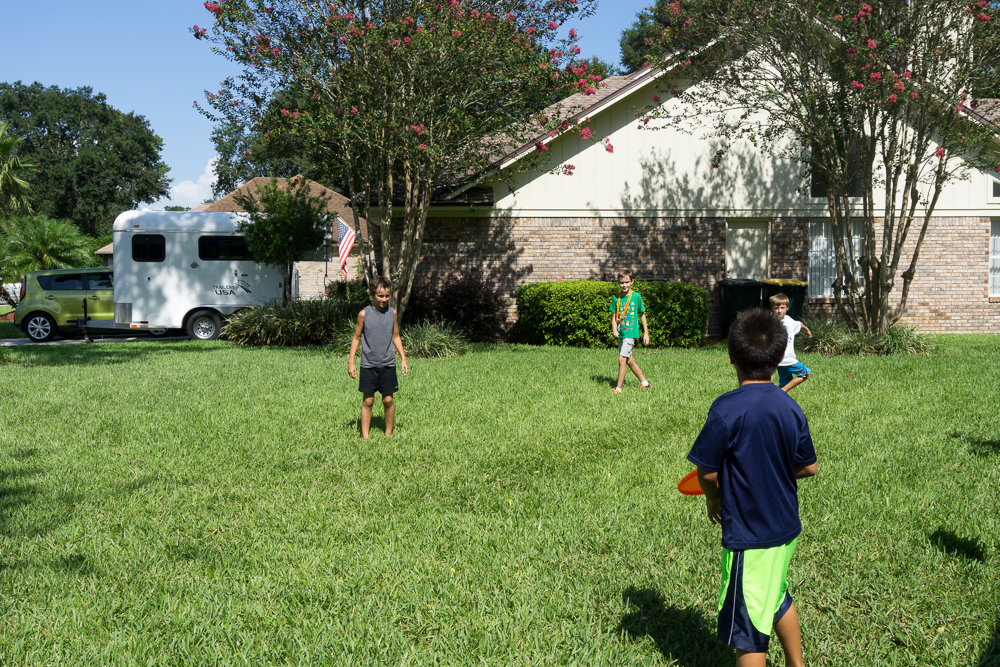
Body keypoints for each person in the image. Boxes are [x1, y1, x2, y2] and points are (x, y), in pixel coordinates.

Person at [687, 308, 819, 667]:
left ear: (731, 356)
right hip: (785, 527)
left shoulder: (725, 409)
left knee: (747, 628)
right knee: (774, 595)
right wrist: (772, 472)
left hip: (751, 534)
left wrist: (713, 500)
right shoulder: (790, 407)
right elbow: (809, 467)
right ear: (778, 358)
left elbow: (707, 472)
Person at [348, 276, 409, 438]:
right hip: (368, 365)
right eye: (380, 296)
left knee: (388, 400)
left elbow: (396, 336)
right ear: (371, 294)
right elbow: (356, 338)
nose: (384, 299)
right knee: (368, 401)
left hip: (388, 364)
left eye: (387, 296)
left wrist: (403, 358)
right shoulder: (364, 314)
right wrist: (351, 362)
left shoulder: (392, 313)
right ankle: (365, 436)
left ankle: (389, 433)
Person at [609, 269, 650, 394]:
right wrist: (614, 329)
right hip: (621, 333)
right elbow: (614, 317)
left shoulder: (636, 297)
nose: (624, 285)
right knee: (628, 360)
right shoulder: (616, 298)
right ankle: (645, 383)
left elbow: (642, 315)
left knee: (621, 359)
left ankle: (618, 389)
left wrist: (646, 333)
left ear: (632, 282)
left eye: (627, 282)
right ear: (618, 283)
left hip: (630, 334)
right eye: (621, 283)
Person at [770, 293, 813, 393]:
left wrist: (807, 331)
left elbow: (799, 324)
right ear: (772, 308)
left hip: (781, 361)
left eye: (782, 308)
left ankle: (777, 397)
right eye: (776, 308)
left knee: (785, 381)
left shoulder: (788, 320)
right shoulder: (771, 323)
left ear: (787, 308)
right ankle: (782, 391)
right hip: (786, 359)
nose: (779, 310)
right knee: (806, 373)